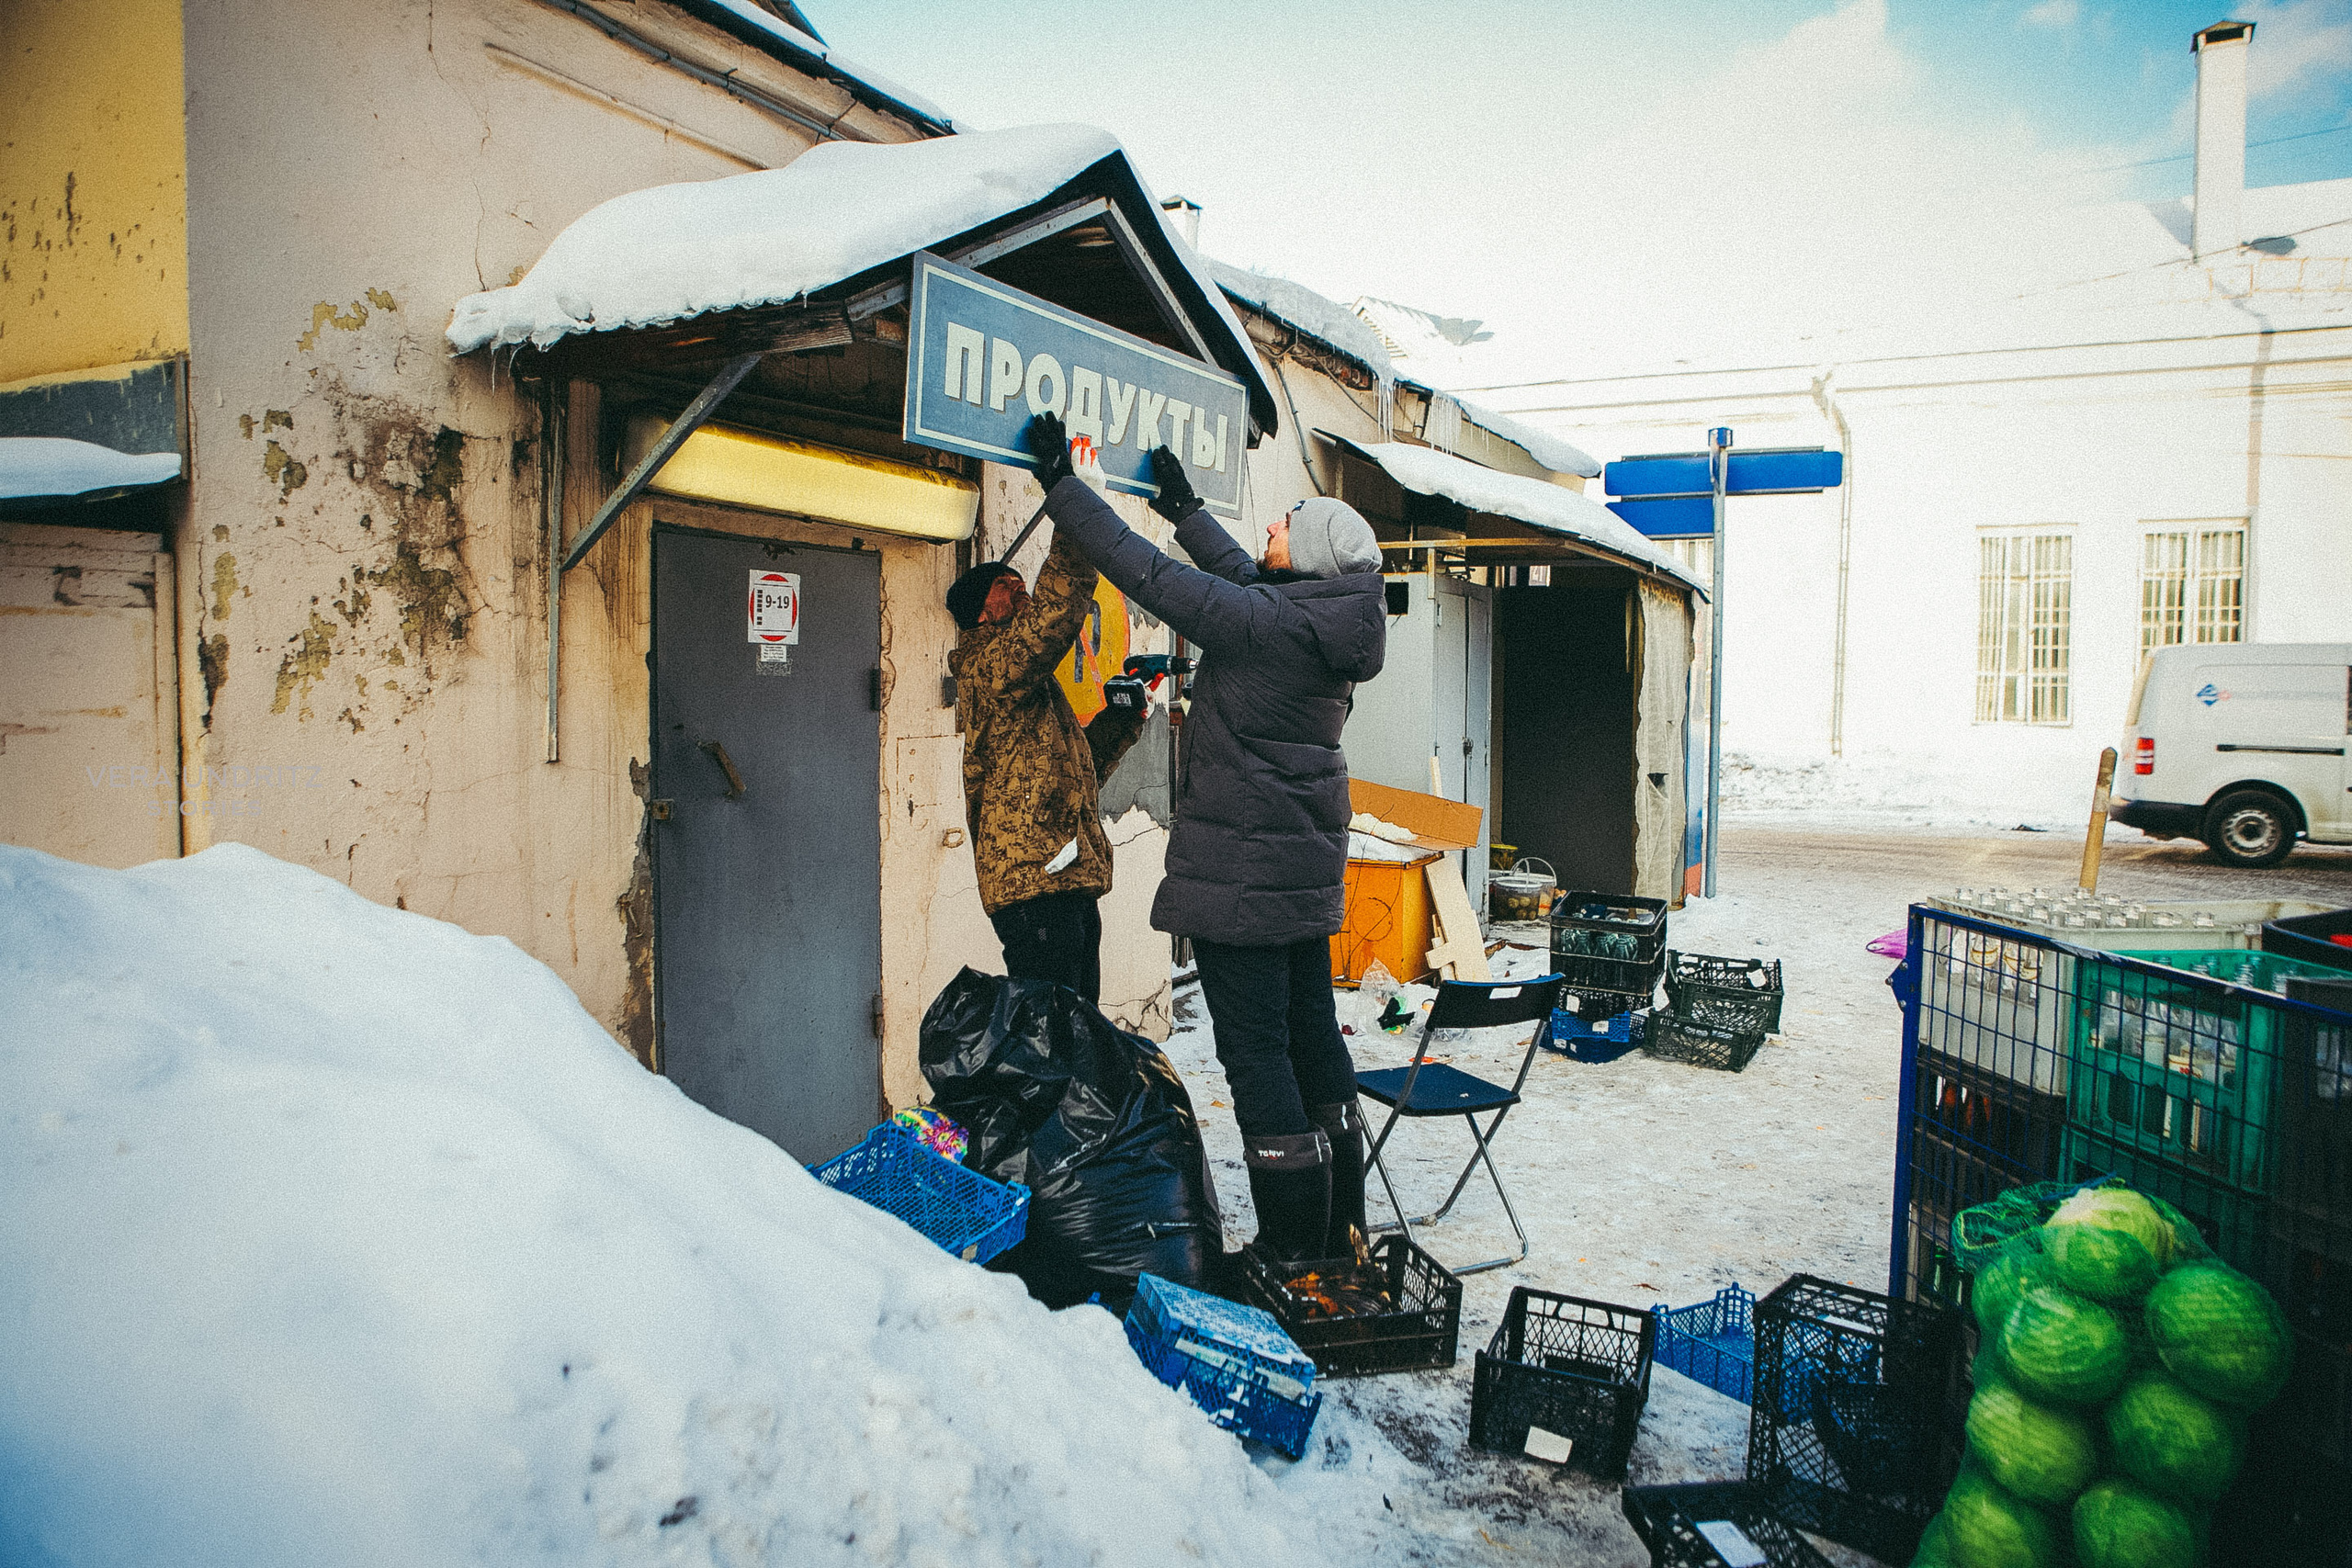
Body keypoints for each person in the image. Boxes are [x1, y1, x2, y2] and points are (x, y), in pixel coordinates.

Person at [1023, 412, 1387, 1263]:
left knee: (1258, 1057)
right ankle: (1340, 1232)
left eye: (1284, 525)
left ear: (1312, 557)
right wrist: (1186, 506)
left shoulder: (1266, 626)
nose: (1269, 526)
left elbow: (1147, 574)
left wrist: (1063, 486)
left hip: (1244, 882)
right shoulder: (1319, 620)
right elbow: (1230, 575)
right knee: (1310, 1041)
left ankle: (1291, 1248)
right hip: (1292, 878)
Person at [946, 528, 1147, 1002]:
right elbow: (1051, 617)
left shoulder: (1030, 688)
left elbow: (1077, 773)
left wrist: (1122, 716)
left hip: (1064, 878)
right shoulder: (987, 667)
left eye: (1023, 584)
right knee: (1049, 1036)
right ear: (981, 613)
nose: (1022, 591)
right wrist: (1077, 518)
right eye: (1007, 587)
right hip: (1031, 885)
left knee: (1076, 1029)